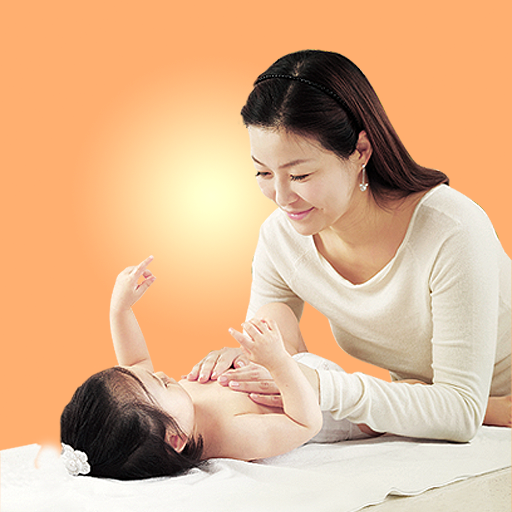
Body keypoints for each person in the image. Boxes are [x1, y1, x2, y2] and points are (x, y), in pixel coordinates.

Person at [187, 49, 511, 442]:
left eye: (301, 175)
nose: (282, 197)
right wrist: (243, 364)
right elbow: (276, 356)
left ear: (360, 151)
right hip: (438, 411)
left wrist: (322, 385)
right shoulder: (281, 238)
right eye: (263, 172)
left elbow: (459, 414)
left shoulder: (451, 229)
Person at [60, 256, 327, 480]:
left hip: (286, 367)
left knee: (275, 311)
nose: (161, 374)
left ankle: (298, 356)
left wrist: (120, 309)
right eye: (161, 383)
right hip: (318, 400)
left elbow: (134, 363)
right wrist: (278, 362)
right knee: (358, 412)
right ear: (175, 440)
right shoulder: (230, 435)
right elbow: (306, 423)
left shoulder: (170, 412)